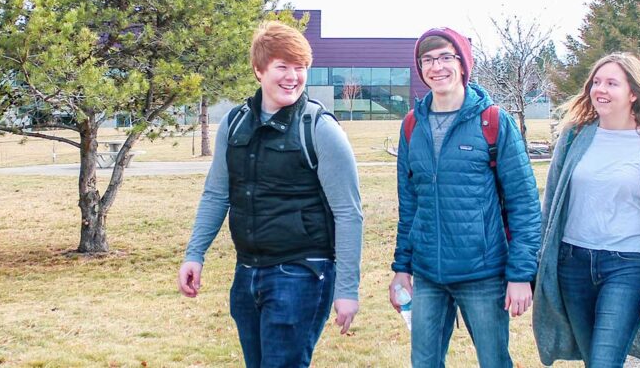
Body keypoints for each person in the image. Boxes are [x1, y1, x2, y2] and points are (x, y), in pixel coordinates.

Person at [177, 21, 365, 368]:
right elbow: (217, 194)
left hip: (302, 273)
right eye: (283, 67)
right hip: (247, 273)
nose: (292, 77)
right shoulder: (234, 124)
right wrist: (195, 253)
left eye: (300, 68)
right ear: (258, 70)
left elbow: (348, 213)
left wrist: (347, 290)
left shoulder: (320, 129)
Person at [388, 27, 542, 368]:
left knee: (494, 362)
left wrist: (520, 274)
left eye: (445, 57)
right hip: (428, 274)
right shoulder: (412, 125)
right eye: (427, 60)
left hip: (483, 273)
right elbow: (409, 204)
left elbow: (524, 204)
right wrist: (402, 268)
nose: (436, 66)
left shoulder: (493, 122)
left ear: (462, 64)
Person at [533, 53, 640, 367]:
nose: (601, 89)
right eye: (596, 82)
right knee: (593, 360)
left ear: (634, 93)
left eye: (612, 83)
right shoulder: (575, 136)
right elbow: (552, 204)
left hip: (629, 266)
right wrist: (539, 261)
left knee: (603, 361)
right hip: (572, 263)